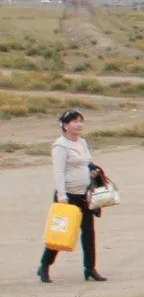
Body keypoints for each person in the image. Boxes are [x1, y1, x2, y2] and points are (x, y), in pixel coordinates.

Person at [38, 108, 105, 284]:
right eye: (75, 121)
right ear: (65, 125)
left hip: (85, 195)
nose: (79, 124)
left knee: (88, 233)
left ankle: (90, 269)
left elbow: (86, 164)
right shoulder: (60, 146)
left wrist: (93, 174)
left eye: (81, 121)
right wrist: (62, 195)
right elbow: (59, 172)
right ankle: (44, 266)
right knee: (60, 233)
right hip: (67, 196)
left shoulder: (82, 142)